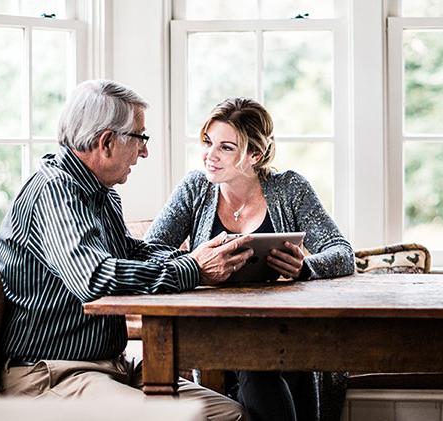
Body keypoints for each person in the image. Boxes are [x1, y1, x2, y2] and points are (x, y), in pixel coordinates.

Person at [0, 80, 254, 421]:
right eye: (140, 138)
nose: (144, 152)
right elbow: (95, 277)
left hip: (109, 365)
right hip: (54, 373)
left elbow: (131, 253)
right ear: (106, 142)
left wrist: (201, 257)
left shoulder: (100, 193)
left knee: (230, 413)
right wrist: (193, 269)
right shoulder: (56, 193)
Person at [145, 97, 355, 421]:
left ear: (254, 154)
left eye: (226, 147)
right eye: (208, 142)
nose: (209, 156)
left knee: (264, 363)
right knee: (254, 360)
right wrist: (196, 261)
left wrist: (306, 268)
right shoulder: (195, 188)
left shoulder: (289, 188)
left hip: (286, 330)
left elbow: (342, 253)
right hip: (220, 332)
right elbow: (150, 252)